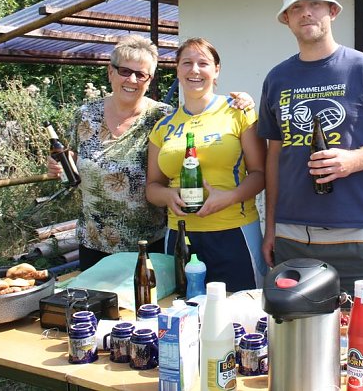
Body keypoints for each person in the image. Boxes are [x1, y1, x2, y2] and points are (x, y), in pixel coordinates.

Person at [257, 0, 363, 310]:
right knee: (296, 334)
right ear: (286, 19)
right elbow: (275, 157)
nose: (306, 12)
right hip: (291, 237)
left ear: (332, 11)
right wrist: (270, 227)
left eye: (315, 4)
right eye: (296, 7)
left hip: (357, 235)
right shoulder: (276, 78)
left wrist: (353, 160)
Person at [47, 34, 254, 270]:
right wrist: (60, 164)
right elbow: (73, 157)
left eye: (141, 74)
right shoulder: (85, 115)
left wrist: (244, 101)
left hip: (148, 241)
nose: (132, 80)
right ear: (110, 72)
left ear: (149, 80)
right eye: (125, 71)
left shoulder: (162, 117)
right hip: (94, 239)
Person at [146, 37, 268, 292]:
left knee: (240, 309)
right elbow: (152, 187)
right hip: (180, 235)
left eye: (203, 63)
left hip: (234, 232)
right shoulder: (163, 126)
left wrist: (230, 197)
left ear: (216, 70)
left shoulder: (239, 112)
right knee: (181, 308)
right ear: (177, 69)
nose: (195, 70)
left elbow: (260, 173)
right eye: (187, 63)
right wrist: (168, 195)